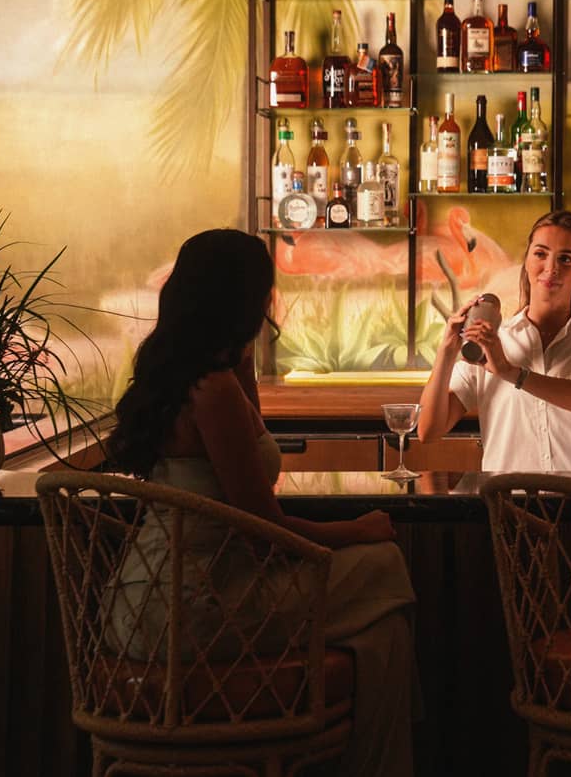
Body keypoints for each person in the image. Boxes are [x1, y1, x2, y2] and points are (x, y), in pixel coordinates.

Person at [105, 229, 417, 777]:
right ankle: (381, 760)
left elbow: (254, 448)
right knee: (384, 568)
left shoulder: (184, 375)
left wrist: (243, 357)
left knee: (380, 624)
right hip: (194, 609)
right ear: (244, 301)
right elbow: (262, 526)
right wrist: (359, 528)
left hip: (142, 600)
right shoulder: (213, 391)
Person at [417, 210, 571, 471]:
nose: (551, 268)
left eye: (565, 259)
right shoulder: (491, 339)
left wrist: (510, 372)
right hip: (509, 502)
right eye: (540, 254)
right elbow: (428, 431)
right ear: (527, 261)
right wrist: (447, 350)